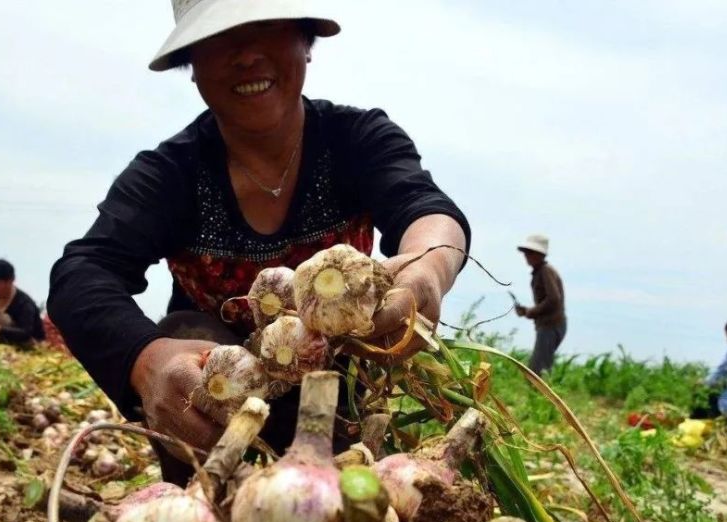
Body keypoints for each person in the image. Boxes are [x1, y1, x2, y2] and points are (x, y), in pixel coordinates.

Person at [47, 2, 470, 485]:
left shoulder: (356, 140)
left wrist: (428, 270)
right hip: (216, 391)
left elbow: (426, 210)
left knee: (341, 496)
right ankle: (201, 503)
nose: (246, 54)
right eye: (219, 37)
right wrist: (145, 361)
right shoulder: (171, 174)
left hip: (334, 377)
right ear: (193, 66)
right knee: (187, 328)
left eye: (264, 25)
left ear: (305, 42)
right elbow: (83, 272)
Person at [514, 234, 566, 374]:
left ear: (539, 254)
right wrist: (526, 311)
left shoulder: (545, 271)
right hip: (548, 325)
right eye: (526, 252)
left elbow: (554, 299)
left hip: (551, 326)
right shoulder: (540, 272)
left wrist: (531, 312)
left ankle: (543, 395)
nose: (526, 256)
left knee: (537, 371)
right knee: (541, 367)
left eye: (529, 252)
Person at [0, 259, 45, 349]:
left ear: (10, 281)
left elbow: (26, 332)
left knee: (3, 319)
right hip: (0, 342)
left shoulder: (24, 303)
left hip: (29, 343)